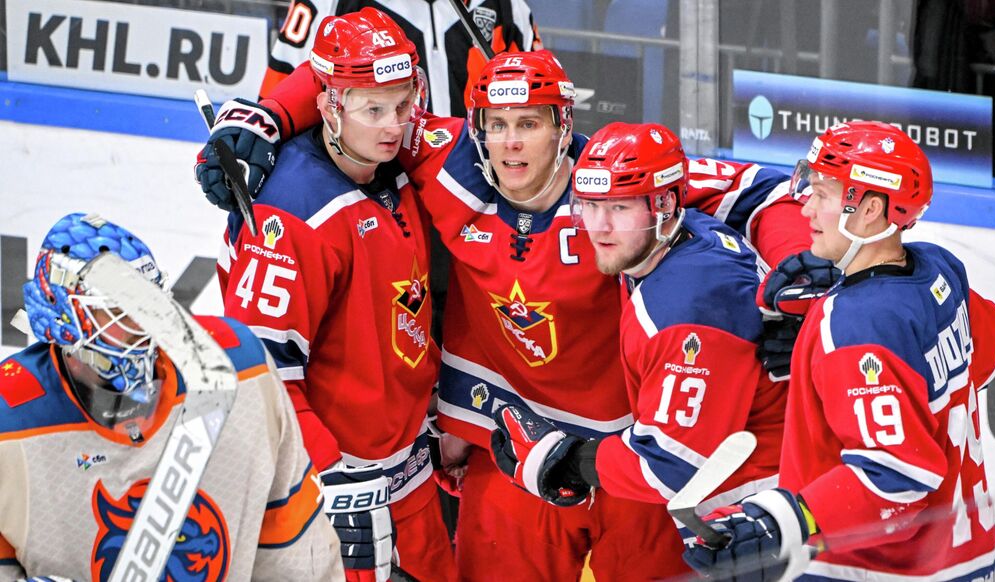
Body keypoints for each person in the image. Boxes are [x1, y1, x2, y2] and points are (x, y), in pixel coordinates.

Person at [195, 48, 810, 579]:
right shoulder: (449, 158)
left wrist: (792, 285)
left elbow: (773, 191)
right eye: (497, 124)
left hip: (628, 458)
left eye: (530, 123)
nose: (511, 142)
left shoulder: (613, 181)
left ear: (563, 126)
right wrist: (265, 118)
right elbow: (354, 80)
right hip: (514, 451)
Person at [685, 121, 995, 581]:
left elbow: (897, 473)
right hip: (970, 559)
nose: (806, 208)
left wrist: (784, 520)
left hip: (879, 570)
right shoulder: (939, 267)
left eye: (822, 194)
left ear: (870, 209)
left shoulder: (854, 323)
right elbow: (985, 358)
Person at [212, 10, 456, 582]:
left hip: (411, 473)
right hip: (337, 498)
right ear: (328, 107)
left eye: (404, 104)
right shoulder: (292, 215)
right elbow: (262, 374)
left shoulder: (398, 161)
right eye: (374, 110)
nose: (395, 125)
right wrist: (330, 480)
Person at [0, 212, 342, 581]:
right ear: (63, 320)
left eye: (148, 303)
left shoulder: (241, 367)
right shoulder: (10, 420)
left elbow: (294, 546)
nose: (144, 325)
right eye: (117, 312)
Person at [489, 122, 786, 522]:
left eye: (619, 208)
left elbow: (671, 465)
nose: (600, 226)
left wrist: (567, 461)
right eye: (590, 205)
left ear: (665, 205)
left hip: (763, 509)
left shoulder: (685, 307)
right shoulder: (687, 231)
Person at [262, 0, 542, 118]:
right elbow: (278, 102)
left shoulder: (508, 6)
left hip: (477, 190)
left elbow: (542, 106)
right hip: (373, 191)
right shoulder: (330, 3)